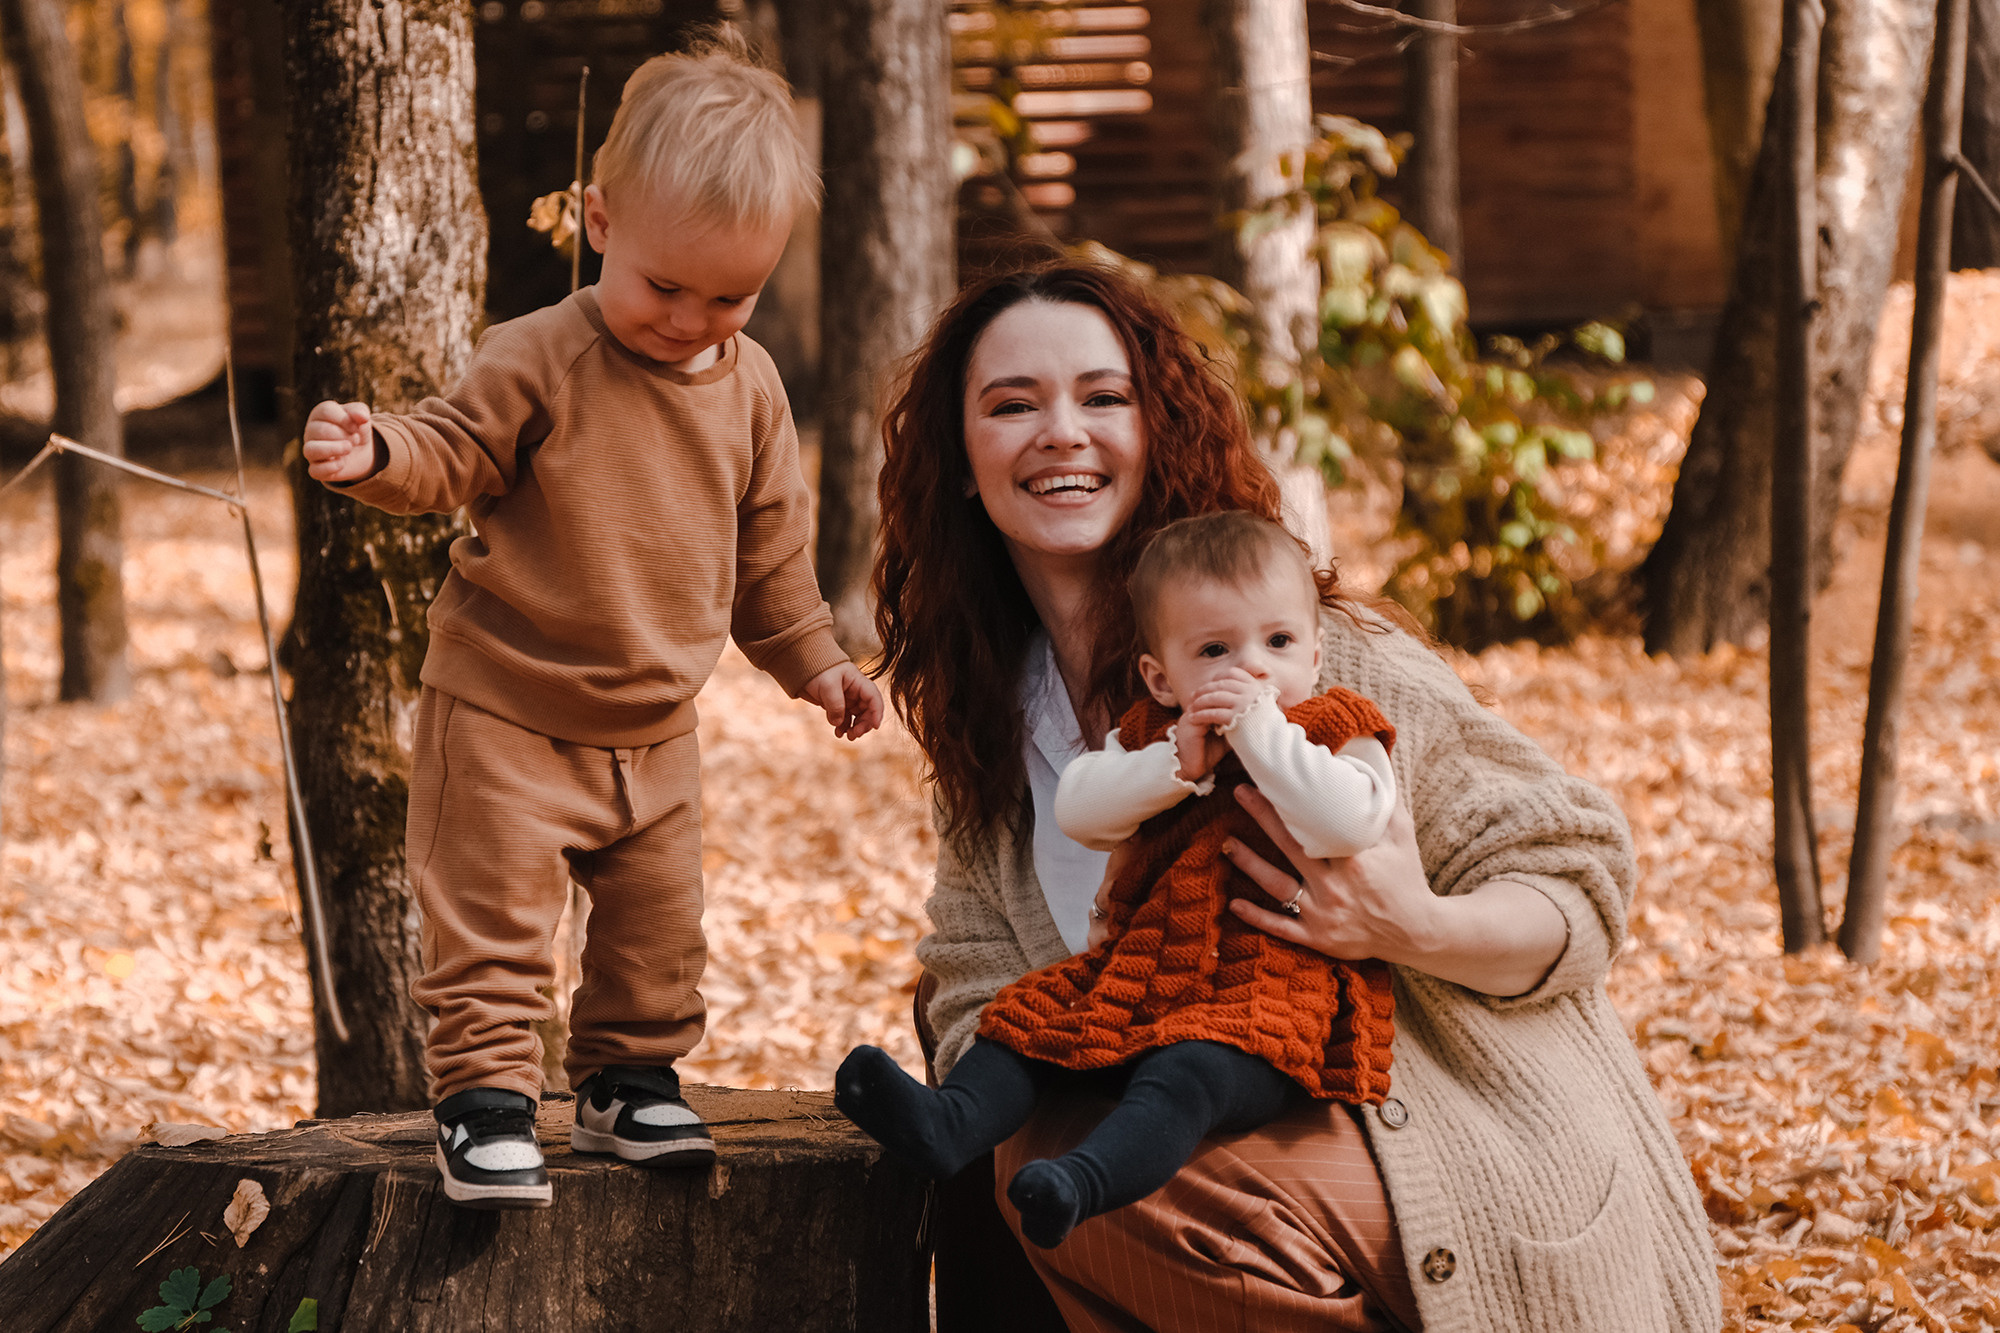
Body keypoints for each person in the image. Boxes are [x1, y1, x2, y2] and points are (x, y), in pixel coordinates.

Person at [869, 258, 1721, 1331]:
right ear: (961, 461)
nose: (1061, 432)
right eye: (1011, 406)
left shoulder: (1317, 666)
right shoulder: (994, 734)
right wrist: (1102, 978)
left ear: (1154, 428)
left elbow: (1576, 879)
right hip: (1211, 1140)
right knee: (1061, 1165)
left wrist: (1409, 923)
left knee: (1125, 1189)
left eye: (1101, 396)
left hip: (1453, 1141)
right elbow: (964, 986)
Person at [300, 32, 883, 1210]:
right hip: (508, 703)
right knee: (496, 924)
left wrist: (815, 661)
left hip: (656, 723)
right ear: (601, 223)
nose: (690, 319)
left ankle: (627, 1079)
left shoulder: (752, 386)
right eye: (666, 287)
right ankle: (485, 1101)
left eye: (731, 295)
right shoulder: (542, 356)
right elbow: (451, 448)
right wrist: (374, 453)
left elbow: (769, 556)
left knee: (657, 930)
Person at [837, 510, 1402, 1249]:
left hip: (1270, 1001)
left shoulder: (1337, 728)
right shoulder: (1157, 739)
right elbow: (1082, 808)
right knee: (1027, 1018)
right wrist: (1175, 765)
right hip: (1145, 975)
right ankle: (952, 1124)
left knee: (1187, 1071)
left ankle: (1080, 1181)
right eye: (1215, 650)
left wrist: (1264, 737)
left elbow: (1348, 821)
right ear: (1160, 677)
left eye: (1279, 642)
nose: (1253, 668)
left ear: (1317, 651)